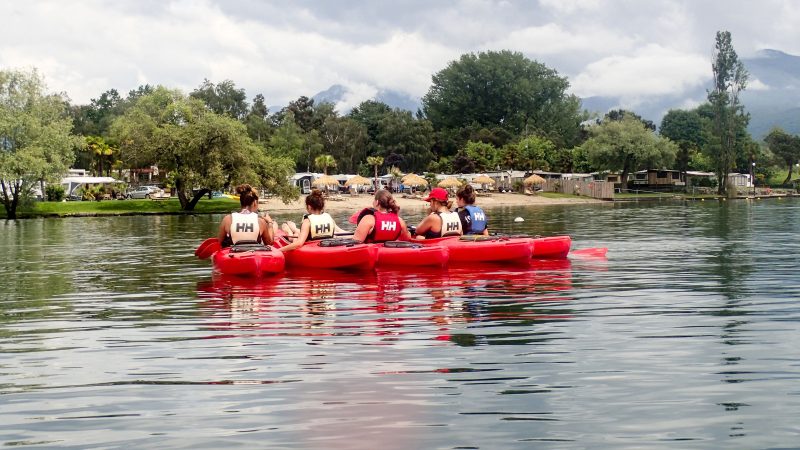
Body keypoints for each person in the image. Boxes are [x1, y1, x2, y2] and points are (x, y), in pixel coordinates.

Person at [279, 189, 345, 252]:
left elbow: (299, 243)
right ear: (322, 207)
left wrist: (279, 250)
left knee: (296, 234)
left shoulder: (307, 221)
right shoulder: (329, 218)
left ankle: (290, 231)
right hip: (327, 246)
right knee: (297, 233)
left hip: (312, 249)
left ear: (309, 207)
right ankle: (292, 229)